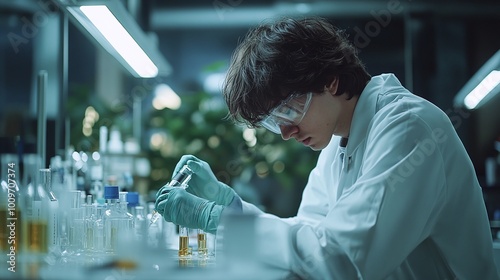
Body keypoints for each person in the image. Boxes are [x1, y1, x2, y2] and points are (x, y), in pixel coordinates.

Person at [154, 17, 499, 279]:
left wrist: (215, 220)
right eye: (274, 122)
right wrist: (231, 207)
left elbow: (342, 261)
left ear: (330, 80)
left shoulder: (408, 128)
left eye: (288, 110)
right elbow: (308, 238)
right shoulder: (338, 142)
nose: (286, 132)